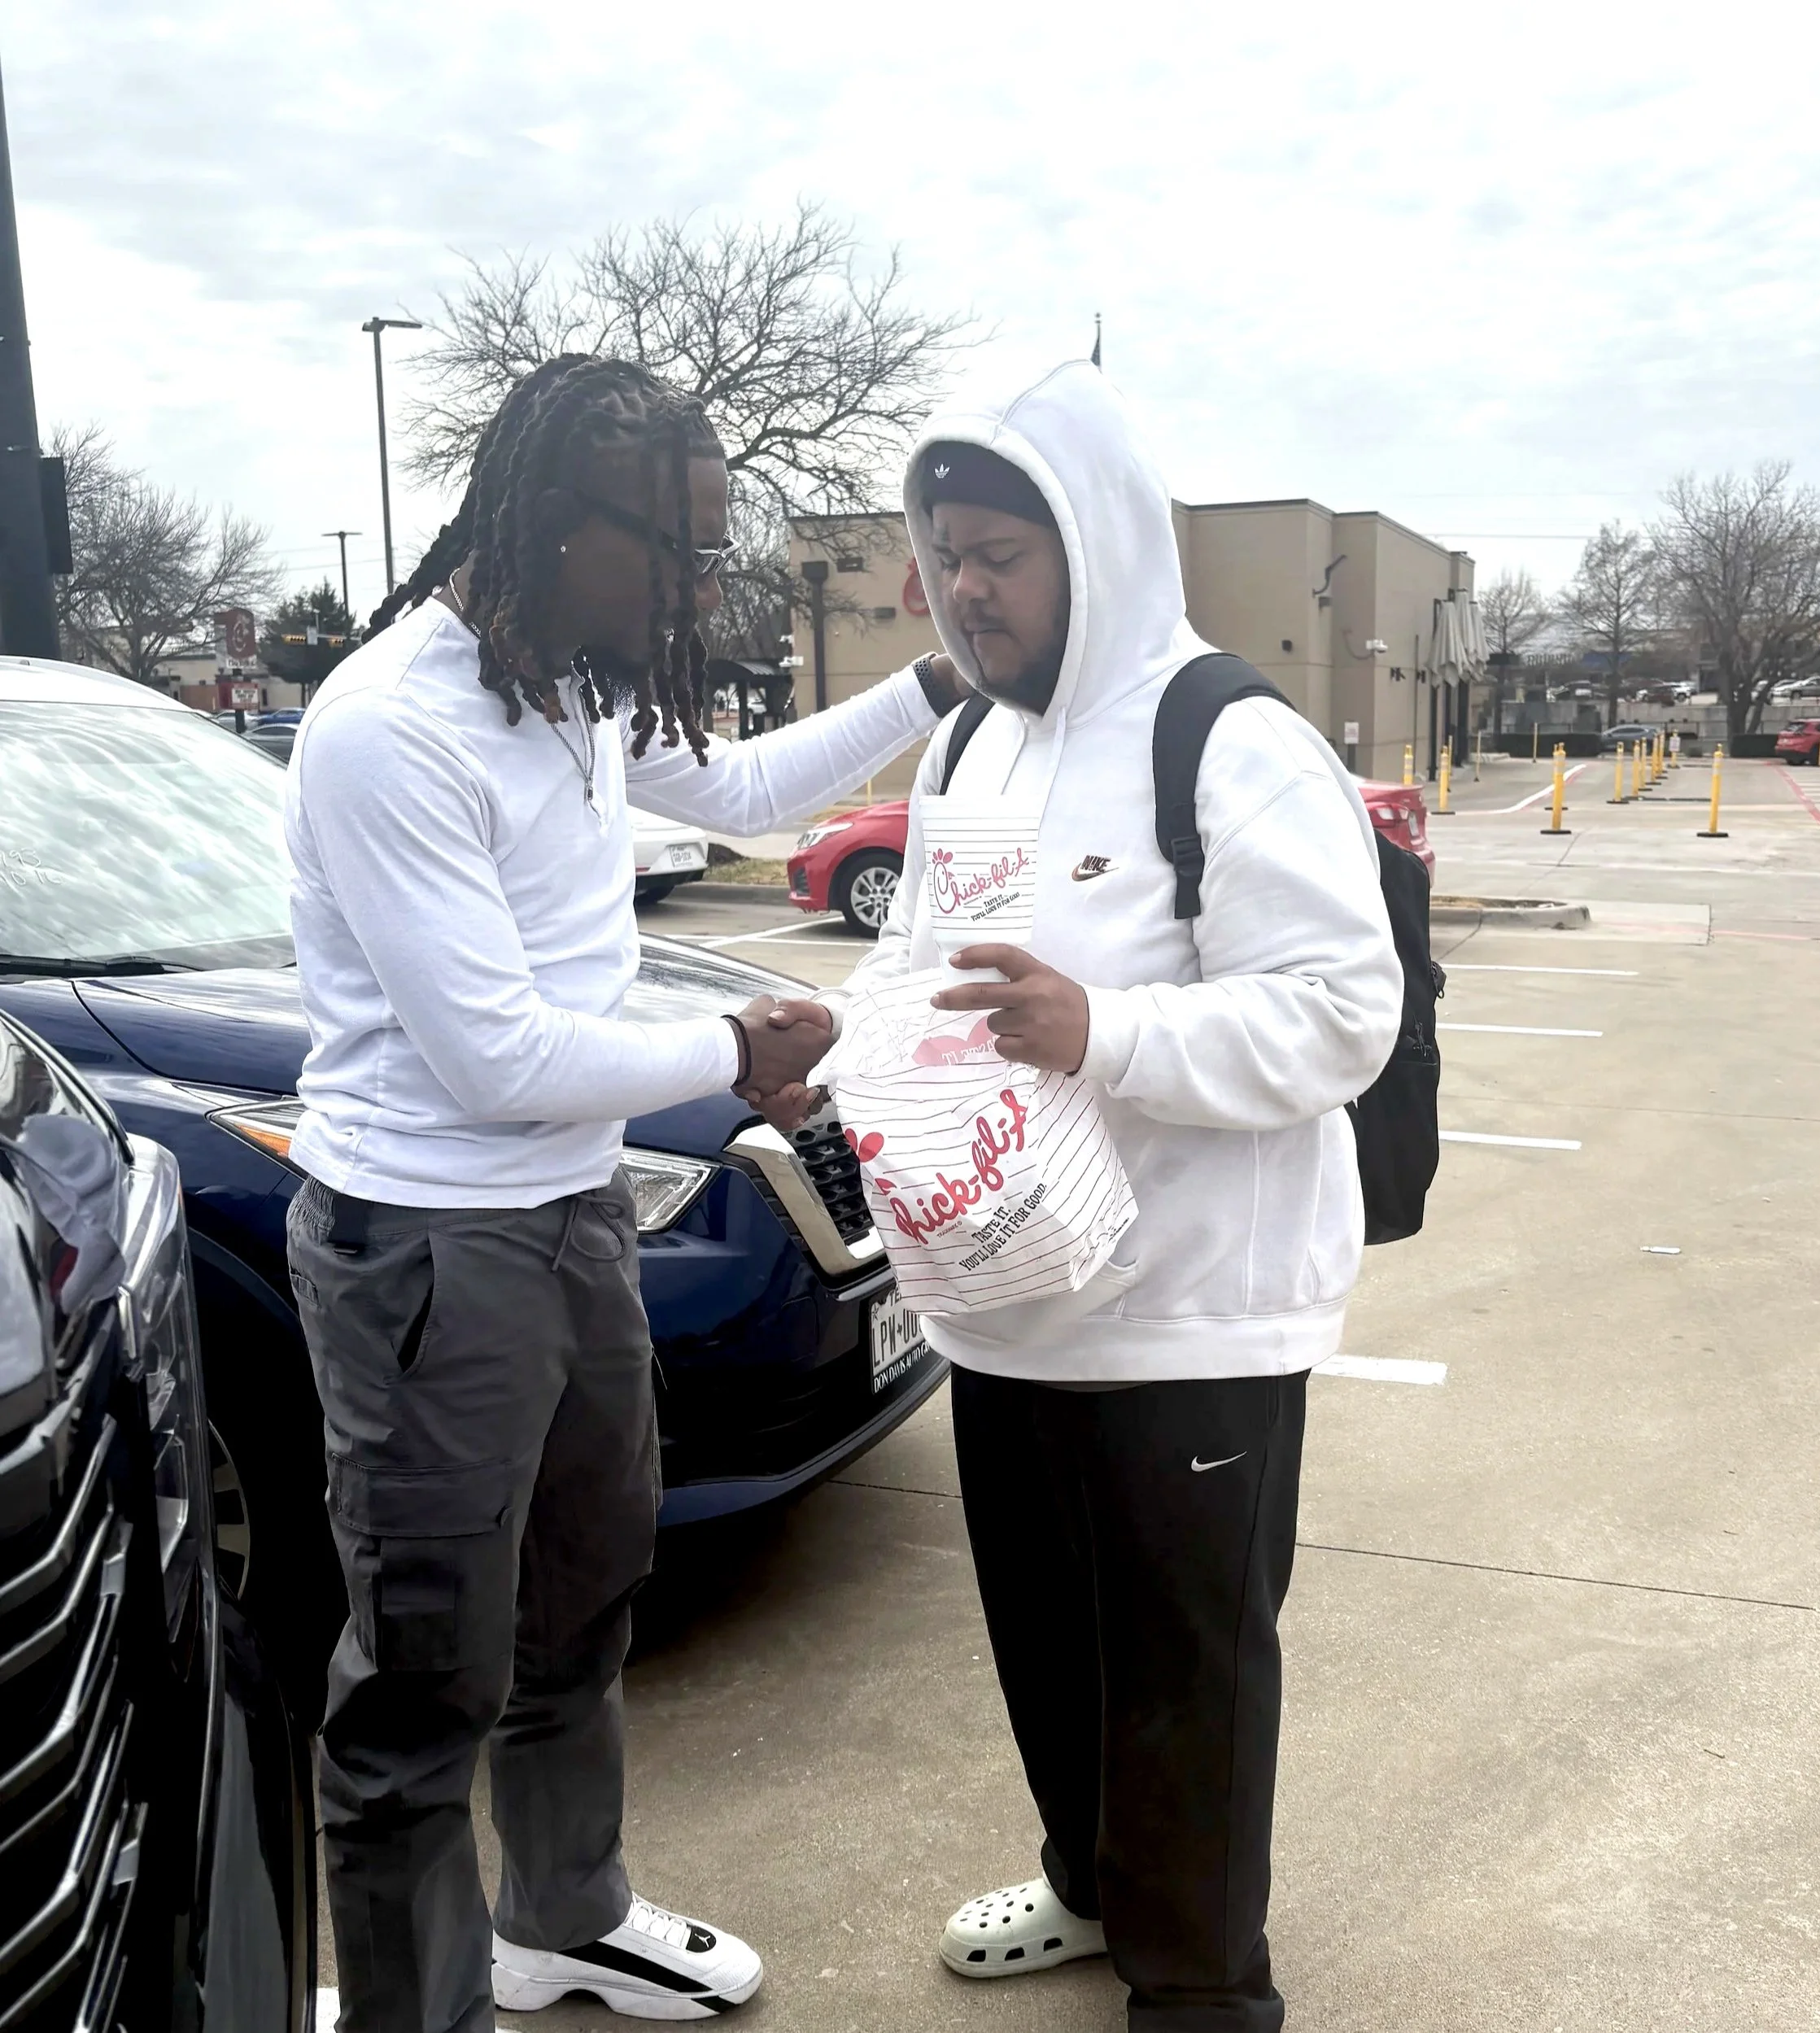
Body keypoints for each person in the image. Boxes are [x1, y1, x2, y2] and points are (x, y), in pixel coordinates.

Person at [283, 353, 962, 2033]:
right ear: (552, 530)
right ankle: (408, 2009)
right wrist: (736, 1038)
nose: (700, 587)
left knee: (585, 1587)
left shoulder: (565, 685)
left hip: (572, 1216)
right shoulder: (391, 728)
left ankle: (561, 1917)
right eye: (680, 550)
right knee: (425, 1672)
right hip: (430, 1247)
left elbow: (735, 800)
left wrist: (936, 685)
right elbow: (496, 1058)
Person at [763, 363, 1403, 2031]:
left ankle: (1201, 1987)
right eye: (948, 554)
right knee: (1048, 1646)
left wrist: (1100, 1028)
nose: (967, 589)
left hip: (1193, 1311)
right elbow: (923, 975)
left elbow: (1343, 1012)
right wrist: (830, 1048)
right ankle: (1089, 1879)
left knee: (1184, 1676)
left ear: (1095, 550)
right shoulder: (971, 742)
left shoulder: (1227, 737)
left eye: (1004, 555)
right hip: (1003, 1298)